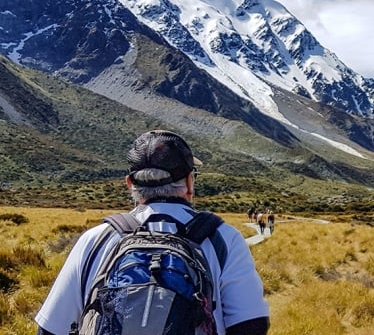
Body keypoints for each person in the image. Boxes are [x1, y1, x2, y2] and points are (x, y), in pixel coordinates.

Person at [35, 130, 270, 335]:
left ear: (129, 184)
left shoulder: (95, 240)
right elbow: (251, 324)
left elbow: (50, 328)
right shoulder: (223, 238)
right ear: (189, 183)